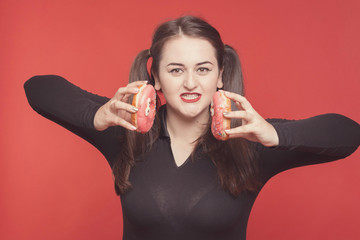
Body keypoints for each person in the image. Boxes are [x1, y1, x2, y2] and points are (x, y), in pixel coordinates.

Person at [24, 15, 359, 240]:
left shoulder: (252, 141)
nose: (190, 83)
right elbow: (38, 88)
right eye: (175, 70)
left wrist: (275, 135)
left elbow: (348, 133)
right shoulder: (124, 128)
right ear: (155, 76)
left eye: (202, 69)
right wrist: (95, 116)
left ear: (221, 74)